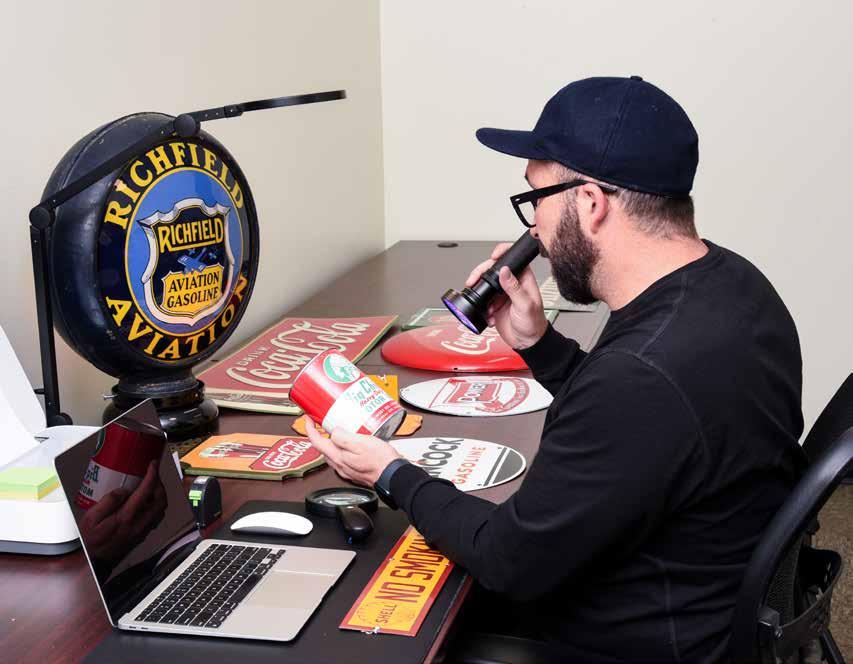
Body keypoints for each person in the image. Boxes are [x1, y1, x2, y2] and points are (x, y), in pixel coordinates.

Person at [305, 76, 807, 662]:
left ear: (591, 203)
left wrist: (390, 473)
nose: (533, 231)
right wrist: (539, 345)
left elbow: (508, 560)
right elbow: (650, 435)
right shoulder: (735, 285)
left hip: (640, 639)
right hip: (704, 593)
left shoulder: (640, 375)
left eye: (536, 200)